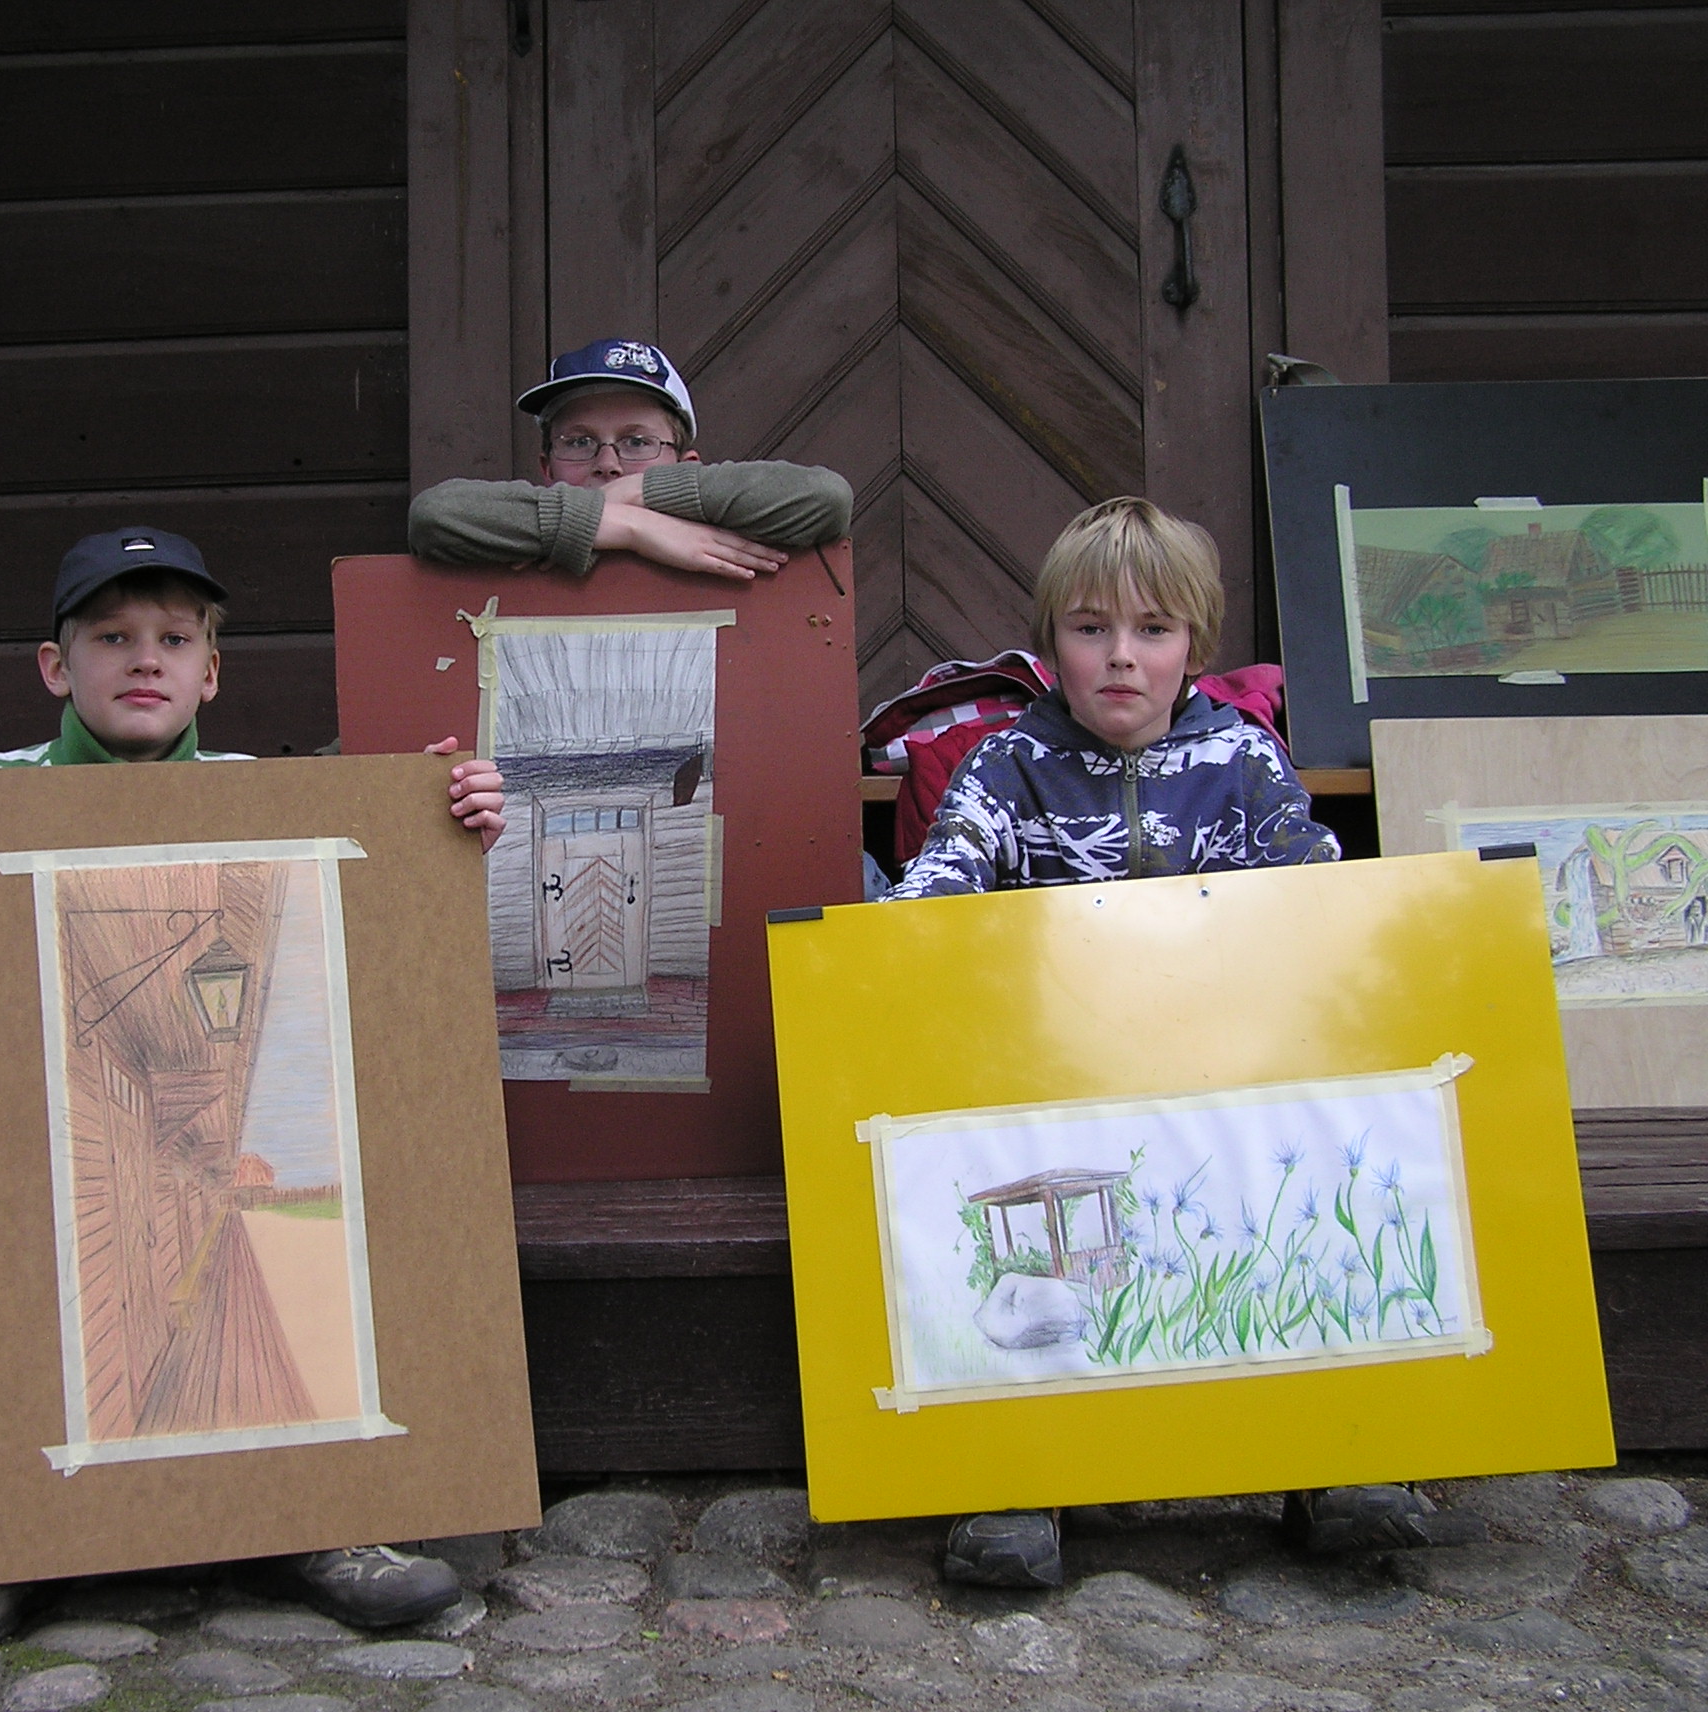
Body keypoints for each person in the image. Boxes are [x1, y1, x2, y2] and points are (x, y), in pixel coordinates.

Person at [0, 526, 505, 1649]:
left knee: (379, 1104)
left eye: (172, 636)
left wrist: (444, 837)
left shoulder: (270, 801)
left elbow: (389, 1020)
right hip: (25, 1136)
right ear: (56, 667)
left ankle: (338, 1503)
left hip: (216, 1125)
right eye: (110, 636)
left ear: (210, 670)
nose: (143, 657)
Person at [887, 497, 1431, 1586]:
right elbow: (940, 879)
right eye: (1089, 629)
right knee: (1024, 1260)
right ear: (1050, 644)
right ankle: (1012, 1474)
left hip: (1221, 1073)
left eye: (1151, 629)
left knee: (1300, 1206)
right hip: (1052, 1077)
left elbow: (1314, 900)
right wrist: (913, 924)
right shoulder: (1005, 765)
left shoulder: (1245, 761)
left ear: (1194, 644)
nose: (1120, 657)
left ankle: (1336, 1456)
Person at [406, 337, 853, 581]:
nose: (608, 463)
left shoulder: (714, 531)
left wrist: (639, 492)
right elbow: (435, 515)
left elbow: (824, 498)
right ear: (547, 469)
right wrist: (635, 526)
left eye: (637, 442)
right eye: (579, 442)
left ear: (685, 465)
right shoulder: (513, 530)